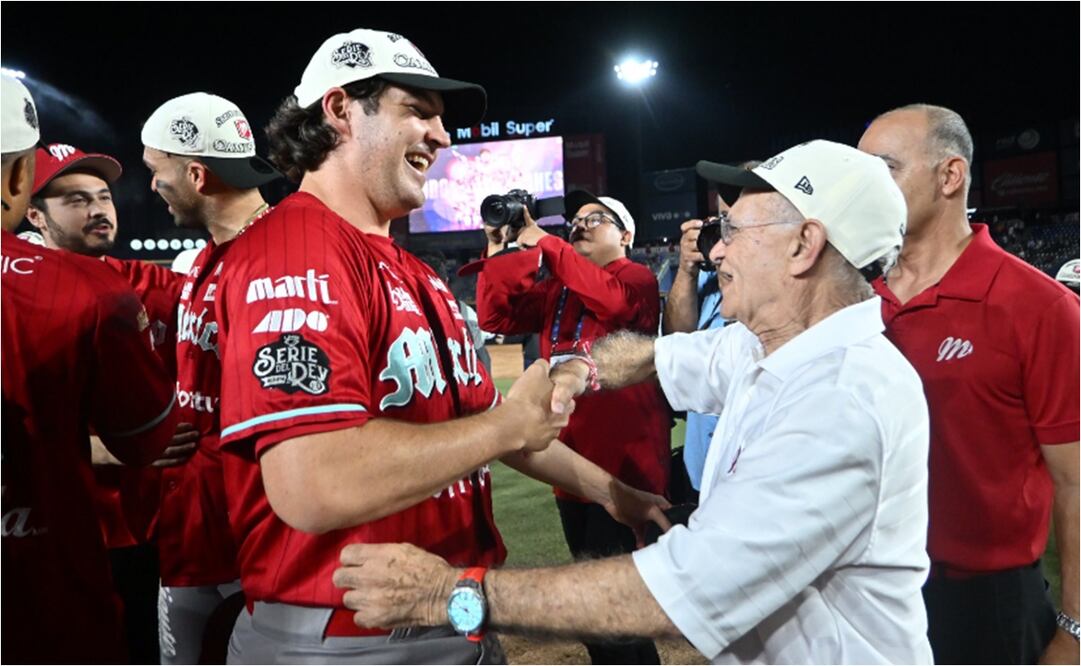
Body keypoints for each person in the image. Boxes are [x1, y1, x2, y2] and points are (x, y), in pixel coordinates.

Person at [334, 140, 936, 664]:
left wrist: (452, 595)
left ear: (806, 245)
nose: (717, 253)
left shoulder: (841, 399)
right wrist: (580, 371)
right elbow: (655, 355)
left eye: (734, 232)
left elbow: (678, 592)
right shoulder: (768, 344)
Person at [213, 28, 668, 664]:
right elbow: (313, 483)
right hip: (349, 634)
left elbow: (480, 423)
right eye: (418, 111)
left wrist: (609, 492)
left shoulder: (409, 267)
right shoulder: (297, 249)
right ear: (341, 111)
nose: (442, 135)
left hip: (443, 609)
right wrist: (508, 426)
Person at [858, 104, 1080, 665]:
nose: (865, 189)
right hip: (866, 595)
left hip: (986, 607)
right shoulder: (856, 305)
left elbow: (1076, 485)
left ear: (950, 176)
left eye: (883, 169)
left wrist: (1074, 632)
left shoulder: (1039, 306)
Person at [1, 72, 179, 663]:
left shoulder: (137, 281)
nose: (99, 209)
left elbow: (226, 284)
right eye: (76, 199)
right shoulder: (88, 297)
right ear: (28, 202)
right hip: (64, 545)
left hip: (133, 531)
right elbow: (143, 438)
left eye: (102, 196)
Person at [472, 190, 670, 664]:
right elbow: (494, 314)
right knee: (591, 607)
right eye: (575, 220)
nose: (579, 226)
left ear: (625, 235)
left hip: (623, 464)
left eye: (595, 219)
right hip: (569, 464)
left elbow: (620, 311)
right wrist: (500, 247)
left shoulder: (636, 276)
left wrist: (549, 245)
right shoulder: (559, 286)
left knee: (619, 610)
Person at [127, 90, 284, 665]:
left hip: (261, 549)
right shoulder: (205, 259)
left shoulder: (281, 259)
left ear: (196, 173)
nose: (151, 187)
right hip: (195, 539)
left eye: (155, 171)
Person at [662, 166, 759, 500]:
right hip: (703, 459)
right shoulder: (706, 275)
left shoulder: (782, 283)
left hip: (754, 469)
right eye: (721, 220)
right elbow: (675, 337)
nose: (723, 239)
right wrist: (688, 268)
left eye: (737, 223)